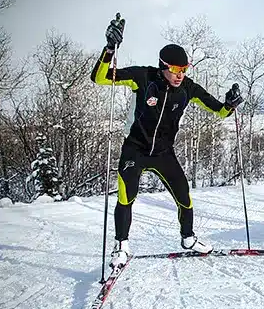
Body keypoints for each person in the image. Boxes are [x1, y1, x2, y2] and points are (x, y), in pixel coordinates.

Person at [90, 15, 243, 267]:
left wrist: (230, 104)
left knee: (184, 195)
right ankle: (121, 247)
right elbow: (100, 78)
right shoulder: (143, 77)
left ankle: (188, 238)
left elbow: (219, 111)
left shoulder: (188, 89)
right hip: (135, 149)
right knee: (126, 196)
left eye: (183, 70)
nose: (179, 75)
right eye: (174, 70)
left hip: (163, 153)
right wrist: (109, 49)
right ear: (163, 66)